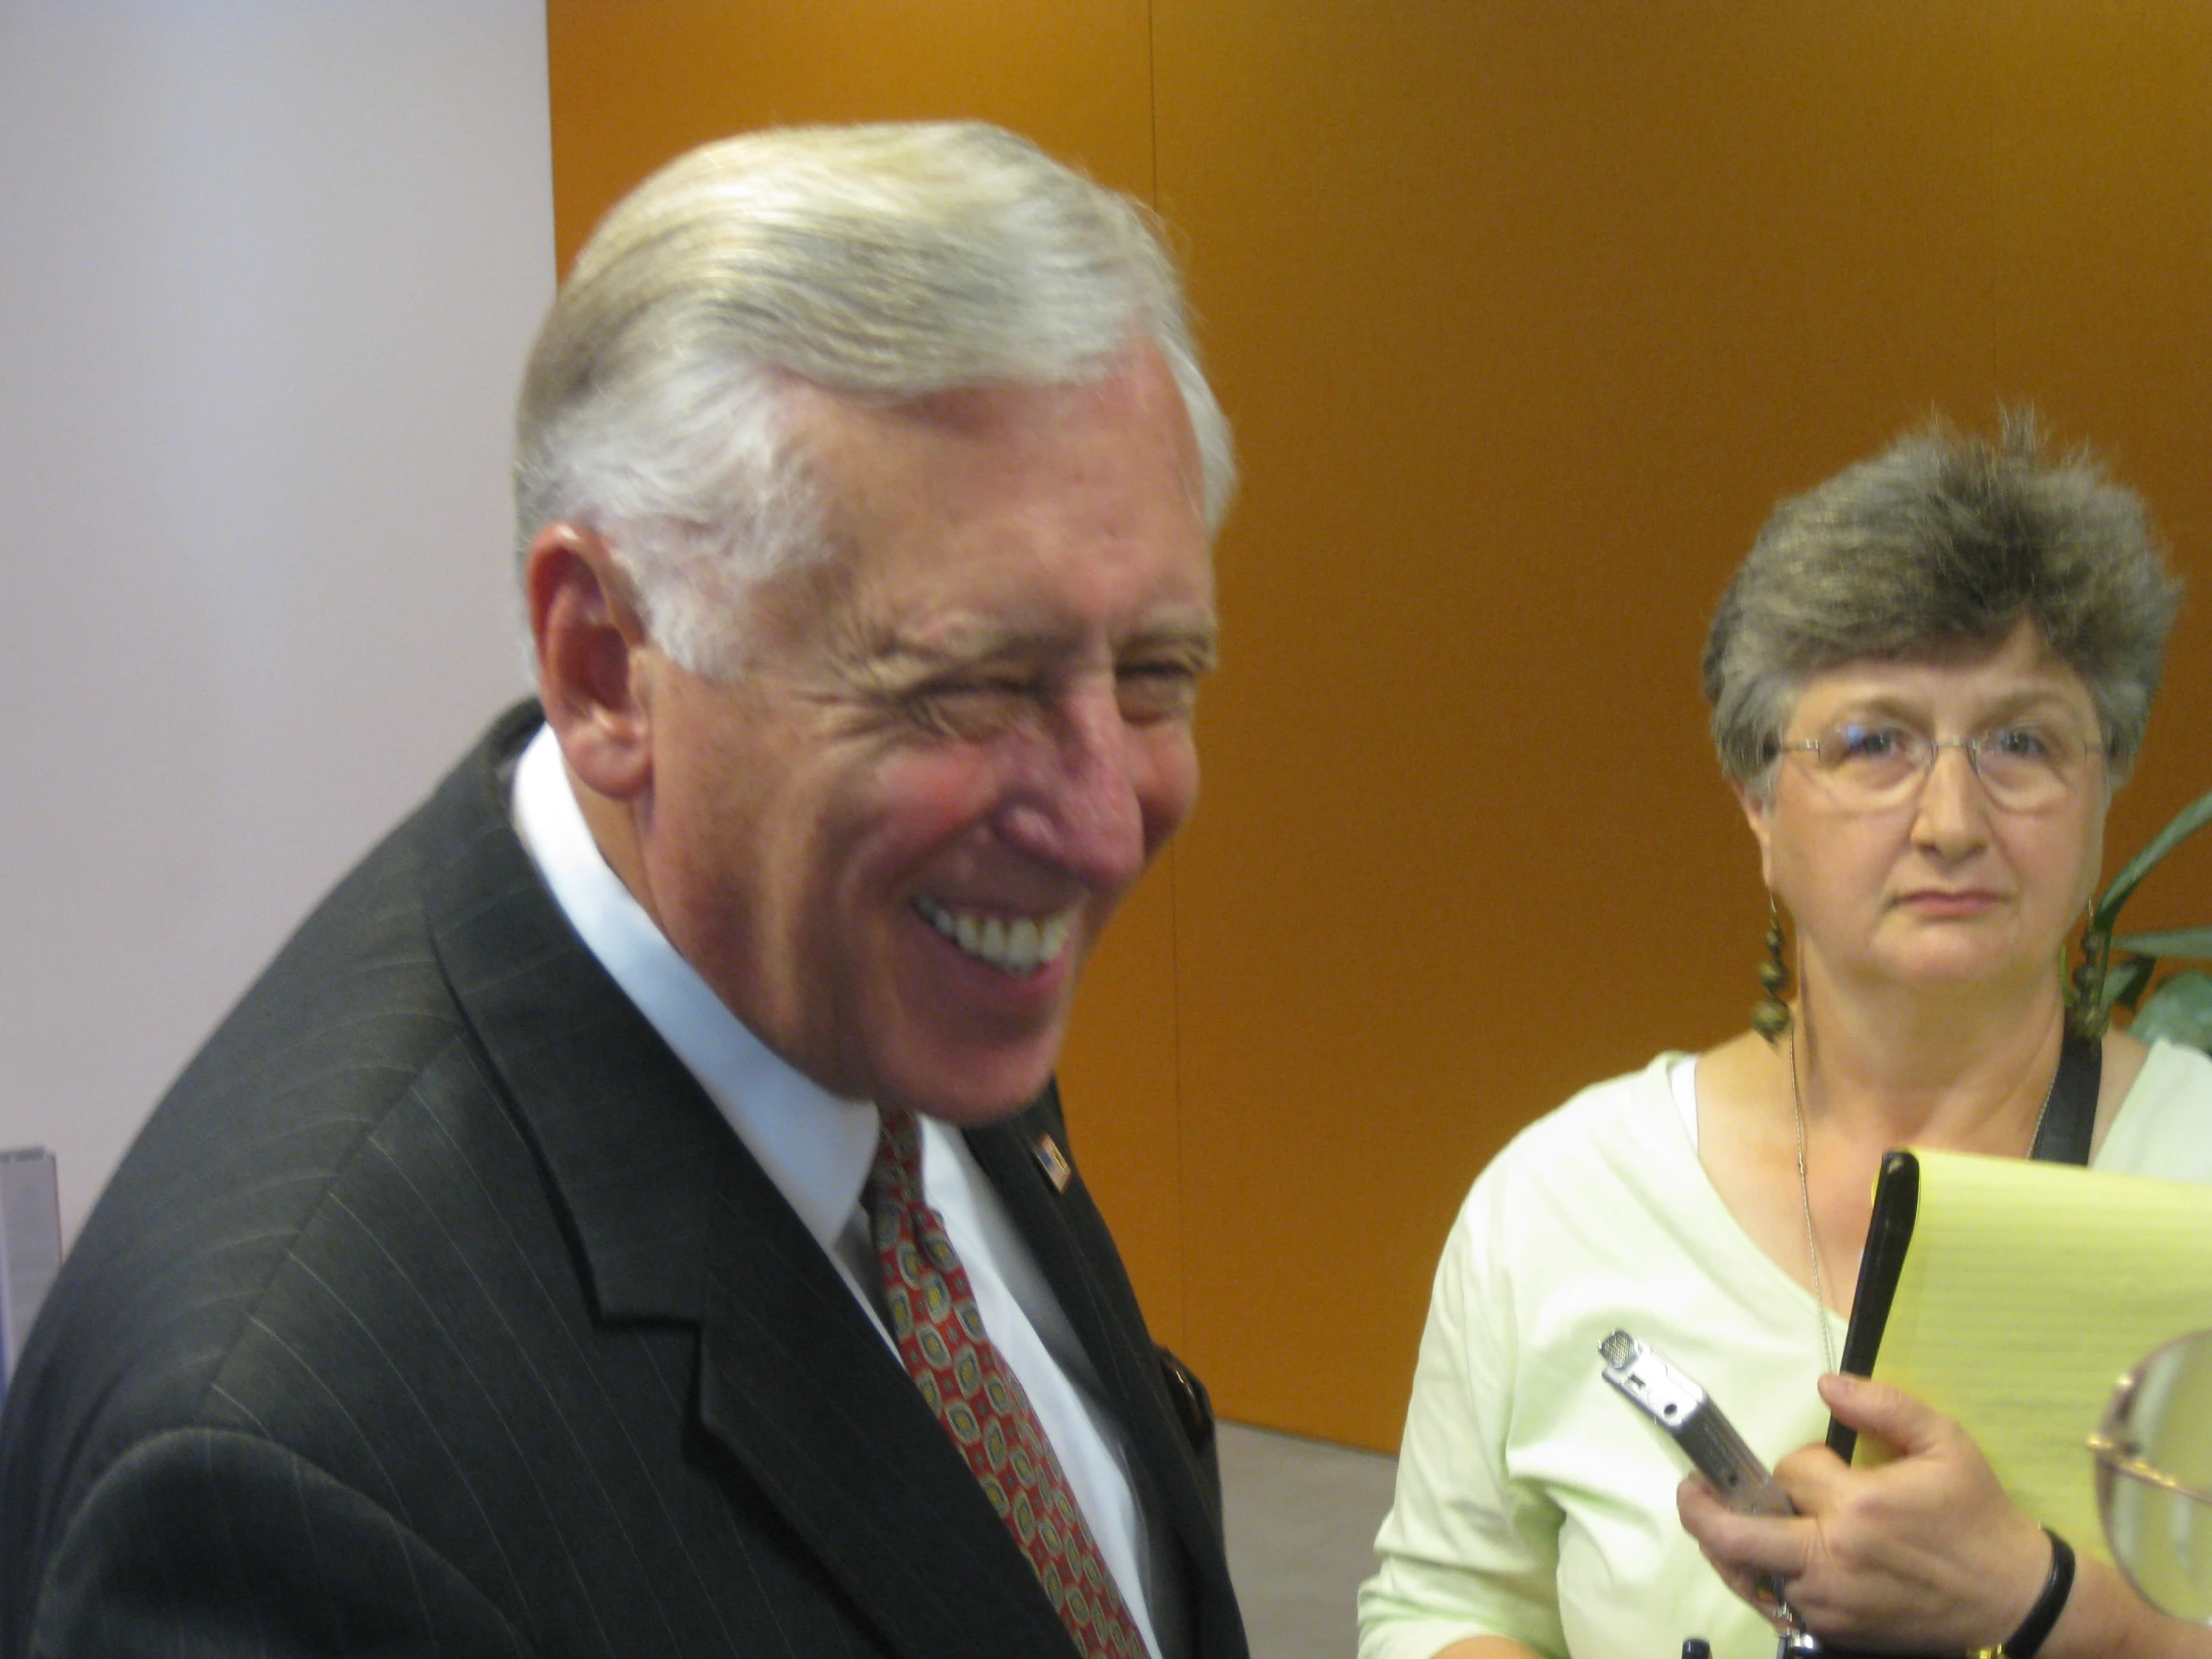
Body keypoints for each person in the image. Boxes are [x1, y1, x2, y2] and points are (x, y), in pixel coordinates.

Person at [0, 122, 1249, 1659]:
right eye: (972, 686)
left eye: (1154, 671)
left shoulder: (877, 958)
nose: (1104, 826)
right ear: (606, 664)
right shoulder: (279, 1486)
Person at [1358, 415, 2212, 1659]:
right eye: (1874, 742)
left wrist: (2056, 1611)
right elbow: (1441, 1603)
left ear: (2102, 789)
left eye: (2021, 740)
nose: (1951, 820)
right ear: (1755, 800)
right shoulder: (1559, 1199)